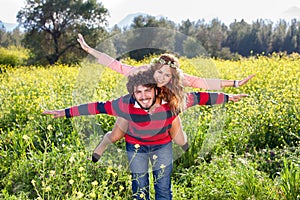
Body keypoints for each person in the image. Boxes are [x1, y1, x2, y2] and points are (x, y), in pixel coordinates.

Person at [43, 69, 248, 200]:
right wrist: (65, 112)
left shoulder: (172, 103)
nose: (143, 96)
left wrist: (229, 97)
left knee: (163, 190)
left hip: (162, 146)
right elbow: (96, 107)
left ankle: (183, 144)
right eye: (138, 92)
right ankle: (103, 146)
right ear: (133, 93)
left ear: (157, 91)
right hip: (136, 147)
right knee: (139, 189)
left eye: (147, 91)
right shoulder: (124, 104)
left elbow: (202, 97)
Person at [77, 33, 254, 162]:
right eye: (159, 72)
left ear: (173, 77)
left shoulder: (177, 81)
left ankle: (186, 148)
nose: (161, 78)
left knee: (179, 138)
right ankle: (102, 144)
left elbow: (204, 83)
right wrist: (89, 50)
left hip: (163, 113)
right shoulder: (143, 72)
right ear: (154, 69)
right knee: (116, 135)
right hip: (135, 110)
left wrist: (235, 84)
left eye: (167, 76)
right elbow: (116, 65)